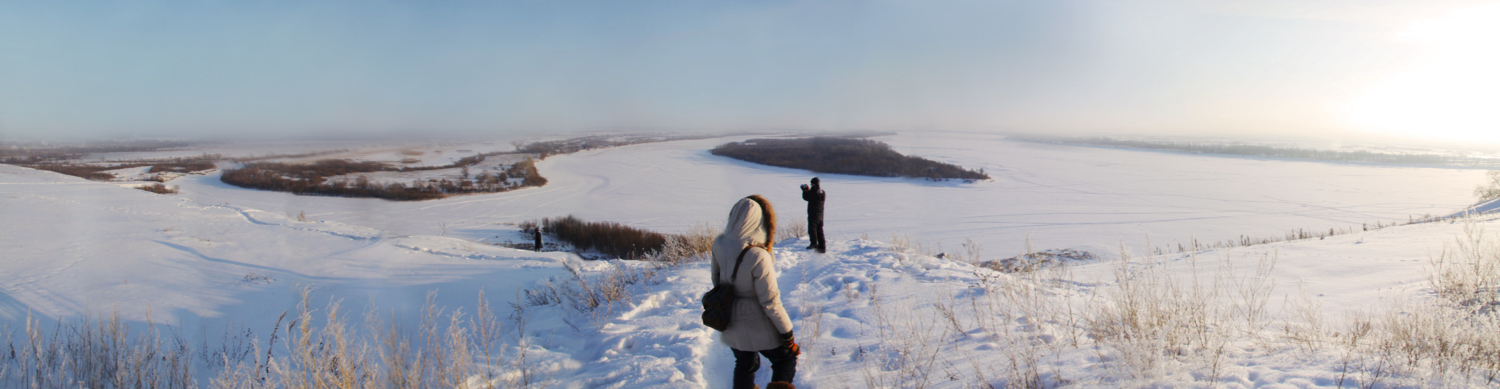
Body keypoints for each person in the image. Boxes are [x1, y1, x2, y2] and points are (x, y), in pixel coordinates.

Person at [711, 195, 799, 389]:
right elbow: (770, 302)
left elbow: (716, 282)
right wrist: (787, 335)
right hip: (757, 322)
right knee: (786, 360)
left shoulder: (719, 245)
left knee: (745, 363)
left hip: (729, 320)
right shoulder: (758, 255)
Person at [800, 178, 826, 253]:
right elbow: (813, 195)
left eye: (811, 184)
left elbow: (806, 197)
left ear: (813, 184)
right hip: (820, 215)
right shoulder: (822, 192)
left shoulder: (813, 192)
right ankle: (822, 247)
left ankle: (813, 243)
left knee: (812, 229)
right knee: (820, 230)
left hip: (813, 214)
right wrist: (809, 190)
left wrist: (805, 191)